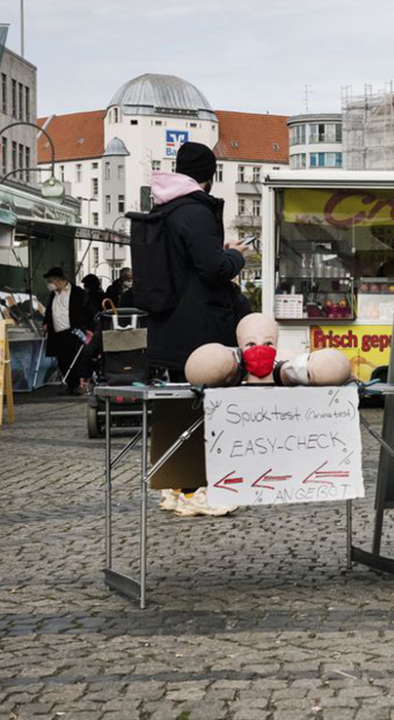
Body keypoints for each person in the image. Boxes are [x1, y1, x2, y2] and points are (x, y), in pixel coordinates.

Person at [144, 141, 251, 517]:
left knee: (177, 406)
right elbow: (213, 270)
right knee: (202, 407)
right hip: (199, 326)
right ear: (210, 175)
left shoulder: (165, 208)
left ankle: (174, 488)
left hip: (169, 321)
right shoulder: (196, 211)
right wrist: (236, 255)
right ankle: (195, 492)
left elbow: (187, 263)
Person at [41, 267, 91, 395]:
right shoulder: (53, 294)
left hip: (73, 331)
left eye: (51, 280)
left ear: (59, 280)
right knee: (62, 360)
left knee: (75, 359)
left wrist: (89, 329)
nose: (50, 283)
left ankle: (78, 385)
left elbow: (88, 310)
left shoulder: (77, 292)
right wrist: (46, 323)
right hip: (57, 333)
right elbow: (49, 311)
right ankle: (71, 384)